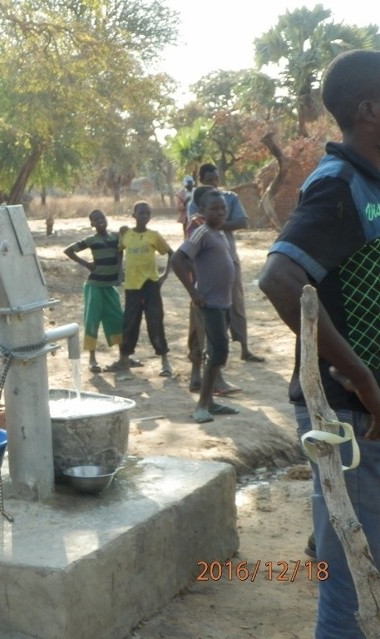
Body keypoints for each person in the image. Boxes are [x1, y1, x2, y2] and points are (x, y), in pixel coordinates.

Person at [258, 49, 380, 639]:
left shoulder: (372, 184)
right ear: (369, 110)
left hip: (368, 408)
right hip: (351, 414)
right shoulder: (339, 186)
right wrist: (360, 377)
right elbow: (280, 277)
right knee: (355, 576)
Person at [172, 187, 240, 423]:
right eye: (214, 209)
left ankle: (210, 401)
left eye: (223, 208)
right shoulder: (201, 232)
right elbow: (177, 259)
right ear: (202, 211)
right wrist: (193, 291)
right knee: (219, 351)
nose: (220, 212)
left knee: (217, 352)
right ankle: (201, 406)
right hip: (209, 303)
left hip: (224, 303)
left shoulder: (220, 234)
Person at [188, 163, 264, 364]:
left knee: (236, 303)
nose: (214, 182)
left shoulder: (229, 197)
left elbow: (243, 222)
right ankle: (200, 354)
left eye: (216, 178)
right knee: (205, 308)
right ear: (202, 180)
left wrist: (216, 223)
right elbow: (194, 227)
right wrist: (218, 224)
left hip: (230, 258)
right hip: (205, 263)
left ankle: (243, 347)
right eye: (209, 179)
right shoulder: (196, 201)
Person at [106, 201, 173, 377]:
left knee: (155, 322)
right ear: (133, 215)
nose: (145, 216)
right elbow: (119, 251)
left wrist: (164, 276)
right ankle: (124, 359)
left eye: (148, 213)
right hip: (132, 286)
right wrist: (119, 272)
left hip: (150, 285)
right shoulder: (126, 234)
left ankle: (165, 362)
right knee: (129, 323)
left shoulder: (154, 236)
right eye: (141, 213)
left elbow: (171, 253)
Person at [63, 209, 124, 373]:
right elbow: (68, 250)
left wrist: (120, 271)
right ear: (92, 224)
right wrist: (87, 264)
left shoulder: (115, 237)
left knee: (117, 318)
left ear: (106, 219)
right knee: (92, 320)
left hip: (110, 286)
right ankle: (92, 358)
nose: (100, 221)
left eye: (102, 218)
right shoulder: (92, 240)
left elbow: (121, 252)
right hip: (95, 285)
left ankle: (122, 356)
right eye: (96, 220)